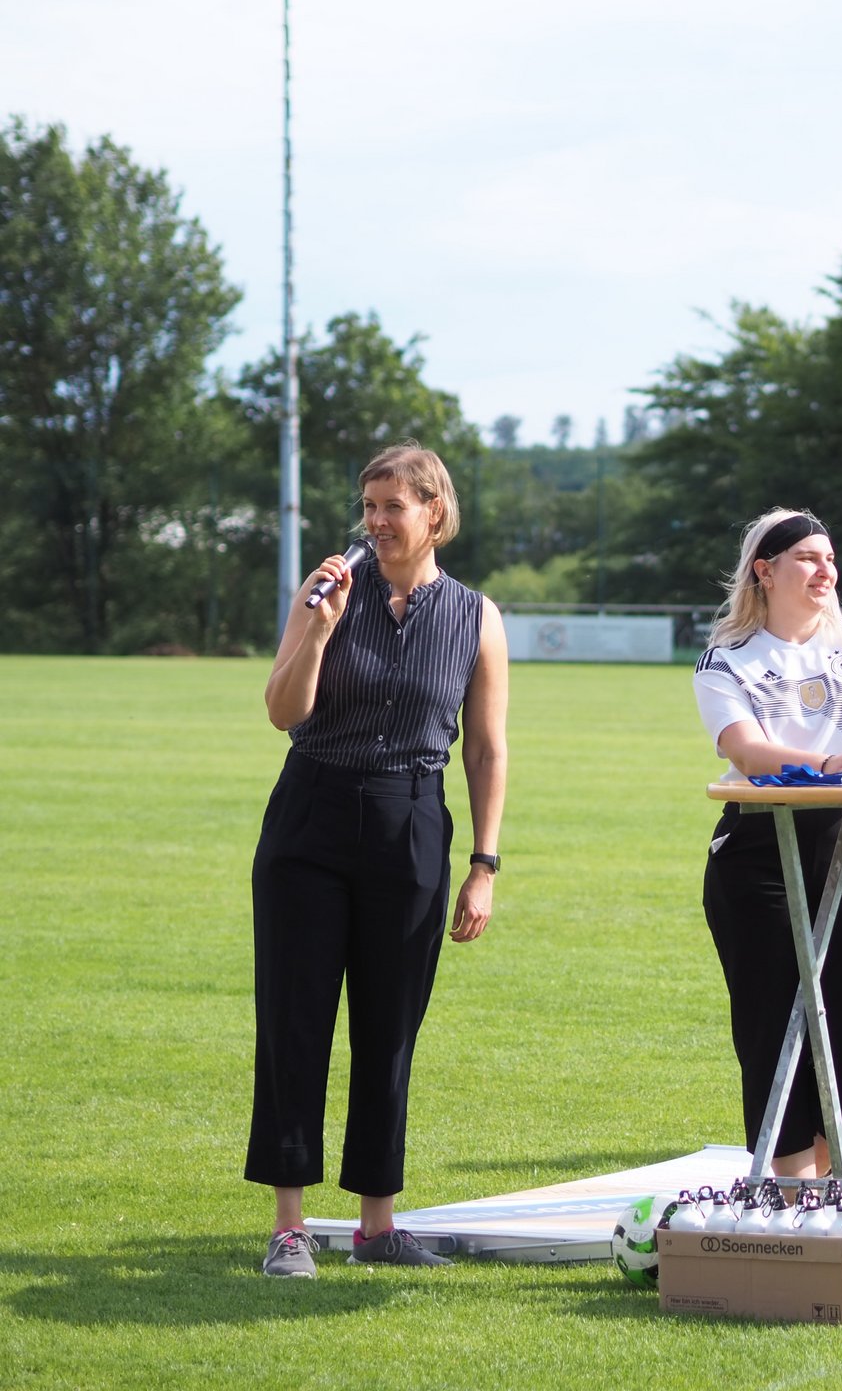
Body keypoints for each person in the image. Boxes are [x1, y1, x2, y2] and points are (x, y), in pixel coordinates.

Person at [249, 441, 509, 1277]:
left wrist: (484, 863)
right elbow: (283, 711)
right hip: (312, 814)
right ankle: (290, 1226)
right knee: (295, 1019)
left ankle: (376, 1225)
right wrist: (317, 631)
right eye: (368, 508)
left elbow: (486, 750)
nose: (376, 523)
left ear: (434, 512)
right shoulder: (327, 594)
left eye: (392, 507)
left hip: (410, 820)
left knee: (389, 1029)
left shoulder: (476, 616)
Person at [693, 509, 842, 1179]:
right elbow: (747, 750)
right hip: (759, 849)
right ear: (765, 570)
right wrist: (825, 767)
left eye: (830, 558)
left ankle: (816, 1174)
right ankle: (793, 1196)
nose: (827, 570)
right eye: (808, 558)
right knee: (772, 1034)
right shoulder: (725, 659)